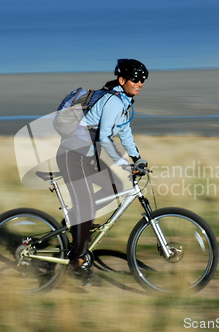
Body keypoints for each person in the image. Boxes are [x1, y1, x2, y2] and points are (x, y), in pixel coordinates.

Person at [55, 59, 148, 285]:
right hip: (71, 156)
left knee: (114, 187)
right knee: (87, 208)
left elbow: (124, 131)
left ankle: (78, 222)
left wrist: (137, 158)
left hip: (87, 155)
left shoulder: (124, 101)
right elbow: (105, 137)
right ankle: (76, 263)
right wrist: (124, 164)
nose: (140, 83)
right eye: (135, 79)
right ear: (122, 80)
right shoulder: (113, 101)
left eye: (143, 79)